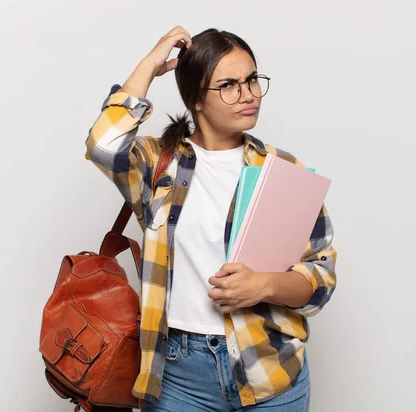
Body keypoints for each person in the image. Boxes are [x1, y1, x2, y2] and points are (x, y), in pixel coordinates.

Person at [85, 26, 337, 412]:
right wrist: (151, 64)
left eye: (253, 80)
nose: (248, 94)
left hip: (270, 370)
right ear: (197, 100)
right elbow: (103, 145)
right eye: (229, 85)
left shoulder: (281, 170)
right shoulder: (159, 165)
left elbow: (320, 278)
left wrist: (265, 285)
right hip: (178, 375)